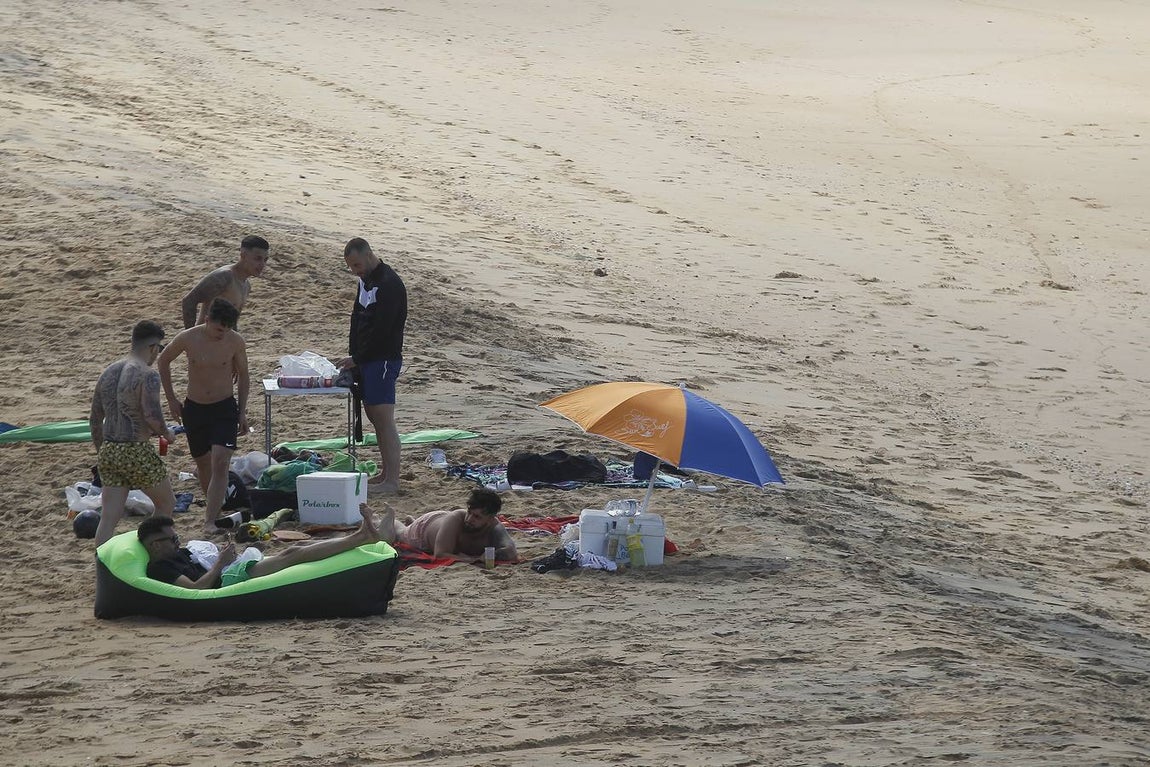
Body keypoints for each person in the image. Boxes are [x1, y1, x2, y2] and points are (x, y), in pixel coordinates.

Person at [158, 298, 250, 536]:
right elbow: (164, 360)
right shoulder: (189, 337)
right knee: (204, 464)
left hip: (224, 408)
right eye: (219, 329)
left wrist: (242, 412)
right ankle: (215, 512)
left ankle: (210, 520)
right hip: (195, 408)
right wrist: (171, 399)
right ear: (208, 320)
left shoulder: (235, 342)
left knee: (221, 462)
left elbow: (244, 375)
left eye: (227, 329)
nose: (223, 334)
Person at [138, 505, 381, 589]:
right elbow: (195, 588)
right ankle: (360, 538)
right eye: (173, 540)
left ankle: (361, 538)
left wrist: (222, 555)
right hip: (228, 580)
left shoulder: (174, 553)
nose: (178, 542)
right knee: (292, 553)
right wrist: (222, 564)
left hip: (228, 570)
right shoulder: (161, 568)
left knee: (299, 547)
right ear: (155, 546)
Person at [88, 320, 177, 545]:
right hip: (135, 448)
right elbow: (151, 415)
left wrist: (103, 451)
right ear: (153, 347)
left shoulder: (108, 372)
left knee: (109, 517)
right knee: (166, 504)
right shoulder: (147, 374)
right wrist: (167, 434)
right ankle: (148, 549)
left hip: (109, 448)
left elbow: (95, 419)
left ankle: (102, 564)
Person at [338, 237, 407, 495]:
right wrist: (353, 354)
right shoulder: (365, 281)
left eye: (357, 265)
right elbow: (358, 317)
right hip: (367, 359)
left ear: (368, 255)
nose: (356, 271)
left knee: (384, 419)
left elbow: (383, 330)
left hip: (384, 359)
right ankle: (386, 473)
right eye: (352, 267)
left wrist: (359, 357)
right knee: (374, 417)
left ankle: (393, 480)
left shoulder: (389, 284)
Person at [379, 488, 518, 563]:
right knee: (399, 534)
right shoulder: (457, 518)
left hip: (440, 526)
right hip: (424, 529)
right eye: (469, 513)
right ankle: (388, 520)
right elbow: (440, 555)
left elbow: (511, 551)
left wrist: (495, 554)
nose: (469, 519)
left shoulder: (495, 526)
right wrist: (472, 559)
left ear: (490, 519)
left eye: (477, 517)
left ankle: (411, 521)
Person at [180, 235, 270, 328]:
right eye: (258, 259)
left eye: (265, 260)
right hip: (205, 338)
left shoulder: (246, 285)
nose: (262, 265)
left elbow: (232, 321)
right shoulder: (224, 277)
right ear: (243, 255)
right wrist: (191, 337)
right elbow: (189, 301)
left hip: (222, 339)